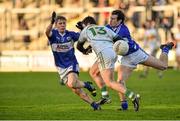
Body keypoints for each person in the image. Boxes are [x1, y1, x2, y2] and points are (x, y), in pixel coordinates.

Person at [84, 10, 175, 111]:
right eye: (111, 18)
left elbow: (109, 42)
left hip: (136, 53)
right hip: (126, 59)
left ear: (120, 21)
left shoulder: (123, 30)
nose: (111, 20)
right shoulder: (108, 27)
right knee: (120, 81)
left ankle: (165, 49)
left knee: (163, 66)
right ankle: (124, 105)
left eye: (113, 19)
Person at [76, 16, 140, 111]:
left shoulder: (85, 30)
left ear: (87, 24)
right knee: (93, 72)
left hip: (103, 54)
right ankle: (105, 97)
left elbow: (79, 46)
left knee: (110, 82)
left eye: (84, 25)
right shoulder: (104, 28)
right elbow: (118, 38)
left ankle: (133, 96)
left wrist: (85, 50)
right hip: (112, 52)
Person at [45, 12, 101, 110]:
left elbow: (83, 37)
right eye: (60, 23)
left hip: (72, 64)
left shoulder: (70, 35)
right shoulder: (53, 35)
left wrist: (83, 28)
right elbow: (47, 32)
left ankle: (87, 85)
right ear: (56, 25)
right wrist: (51, 22)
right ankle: (94, 105)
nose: (62, 25)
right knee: (77, 91)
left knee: (71, 84)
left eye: (64, 23)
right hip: (60, 67)